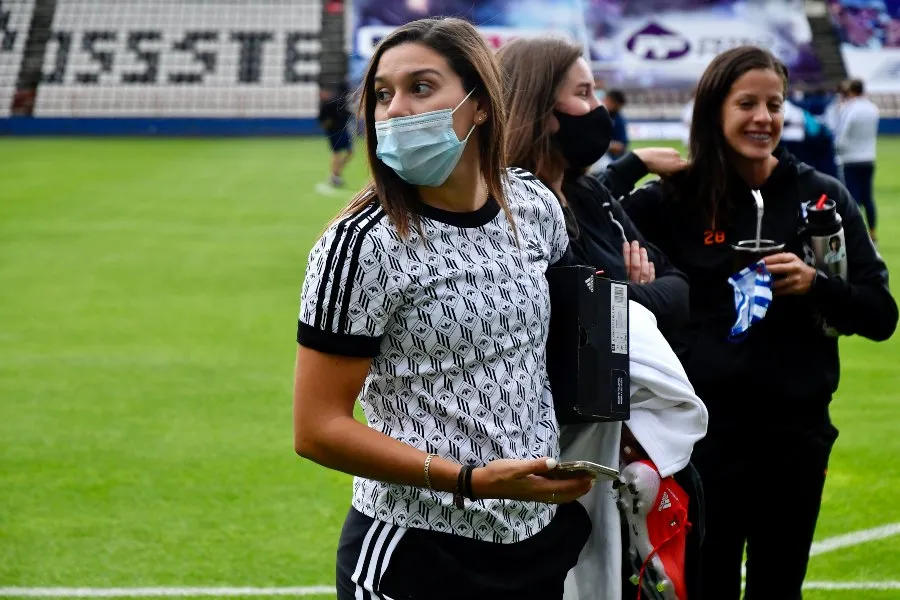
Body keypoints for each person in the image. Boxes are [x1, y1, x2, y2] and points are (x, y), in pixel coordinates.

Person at [293, 18, 596, 600]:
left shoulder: (531, 205)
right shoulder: (360, 245)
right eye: (383, 94)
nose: (396, 110)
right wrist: (470, 481)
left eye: (421, 88)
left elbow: (556, 348)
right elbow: (317, 429)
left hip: (534, 540)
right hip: (417, 548)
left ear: (479, 104)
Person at [619, 45, 898, 600]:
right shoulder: (673, 200)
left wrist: (817, 285)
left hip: (795, 437)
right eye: (747, 103)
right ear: (714, 110)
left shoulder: (822, 197)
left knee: (778, 587)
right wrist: (633, 166)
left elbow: (881, 315)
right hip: (699, 440)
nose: (764, 118)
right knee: (704, 586)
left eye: (775, 103)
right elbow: (570, 215)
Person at [498, 37, 708, 600]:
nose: (599, 108)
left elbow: (677, 289)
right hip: (572, 462)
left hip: (641, 460)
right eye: (584, 92)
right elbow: (576, 319)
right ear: (541, 112)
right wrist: (628, 295)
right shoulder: (515, 213)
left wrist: (622, 299)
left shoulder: (591, 194)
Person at [834, 78, 880, 242]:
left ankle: (857, 235)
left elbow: (842, 135)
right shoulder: (872, 108)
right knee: (868, 198)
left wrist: (837, 148)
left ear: (851, 91)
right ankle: (873, 233)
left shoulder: (849, 109)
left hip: (850, 158)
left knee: (853, 199)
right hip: (869, 157)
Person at [317, 82, 354, 187]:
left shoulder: (335, 100)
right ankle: (335, 175)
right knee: (339, 153)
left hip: (341, 130)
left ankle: (335, 173)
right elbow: (324, 115)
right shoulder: (337, 100)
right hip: (335, 131)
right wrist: (326, 123)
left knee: (346, 152)